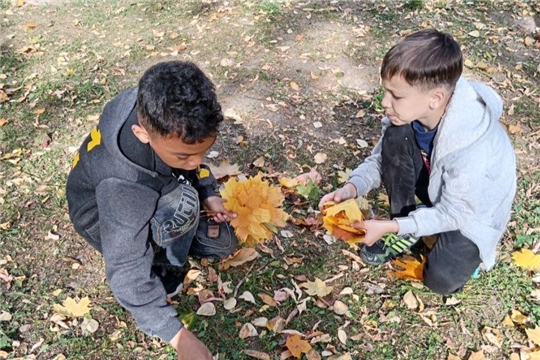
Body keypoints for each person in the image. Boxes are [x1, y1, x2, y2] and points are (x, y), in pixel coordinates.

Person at [319, 29, 516, 295]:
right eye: (386, 92)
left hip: (470, 215)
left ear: (435, 98)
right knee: (395, 136)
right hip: (437, 187)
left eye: (396, 96)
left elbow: (455, 213)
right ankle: (406, 229)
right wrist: (351, 188)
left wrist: (392, 226)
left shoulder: (473, 146)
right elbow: (380, 159)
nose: (385, 103)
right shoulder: (409, 115)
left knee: (441, 281)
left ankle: (462, 253)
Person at [66, 61, 238, 359]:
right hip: (103, 217)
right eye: (185, 155)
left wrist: (207, 191)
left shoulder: (155, 103)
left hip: (141, 190)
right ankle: (165, 270)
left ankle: (172, 234)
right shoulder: (124, 185)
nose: (197, 162)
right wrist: (177, 335)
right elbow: (125, 269)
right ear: (142, 133)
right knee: (181, 205)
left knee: (219, 236)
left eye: (203, 152)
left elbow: (190, 159)